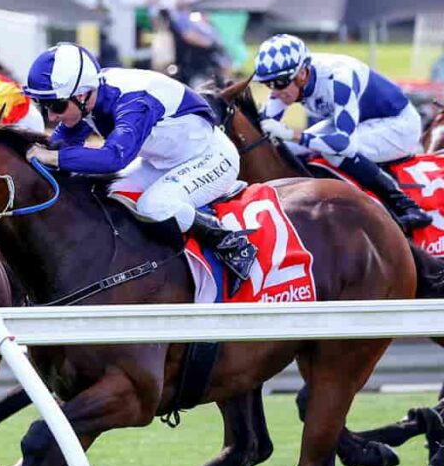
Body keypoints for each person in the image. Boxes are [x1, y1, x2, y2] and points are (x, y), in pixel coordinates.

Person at [22, 42, 257, 294]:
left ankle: (230, 242)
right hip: (163, 162)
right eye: (42, 105)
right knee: (111, 192)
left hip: (210, 157)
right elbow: (60, 144)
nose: (51, 117)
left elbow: (113, 158)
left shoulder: (134, 102)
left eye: (56, 106)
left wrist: (54, 158)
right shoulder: (88, 97)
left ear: (81, 95)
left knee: (154, 206)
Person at [254, 34, 432, 231]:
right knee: (288, 148)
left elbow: (344, 144)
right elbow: (261, 133)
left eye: (278, 83)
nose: (275, 92)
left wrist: (292, 134)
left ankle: (406, 206)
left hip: (398, 126)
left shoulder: (338, 77)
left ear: (302, 74)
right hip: (362, 122)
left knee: (332, 151)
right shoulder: (289, 82)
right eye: (268, 84)